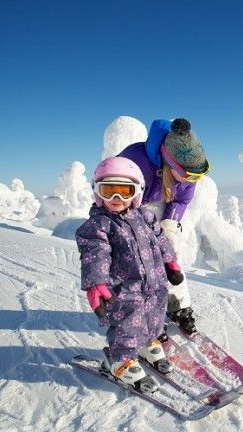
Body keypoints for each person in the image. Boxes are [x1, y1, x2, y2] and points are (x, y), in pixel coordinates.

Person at [75, 156, 185, 393]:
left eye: (124, 191)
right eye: (108, 191)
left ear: (136, 192)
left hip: (155, 283)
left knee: (155, 317)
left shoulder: (145, 216)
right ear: (97, 192)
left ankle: (146, 344)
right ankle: (120, 360)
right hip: (124, 289)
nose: (116, 199)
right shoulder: (99, 225)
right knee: (127, 324)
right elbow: (96, 253)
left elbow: (160, 239)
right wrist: (96, 284)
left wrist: (170, 262)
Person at [118, 117, 209, 333]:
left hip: (161, 207)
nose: (193, 180)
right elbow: (114, 191)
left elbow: (182, 200)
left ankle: (179, 306)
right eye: (189, 174)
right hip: (130, 207)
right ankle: (144, 312)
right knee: (140, 263)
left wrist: (169, 224)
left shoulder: (187, 178)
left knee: (170, 258)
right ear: (170, 162)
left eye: (200, 174)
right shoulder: (135, 161)